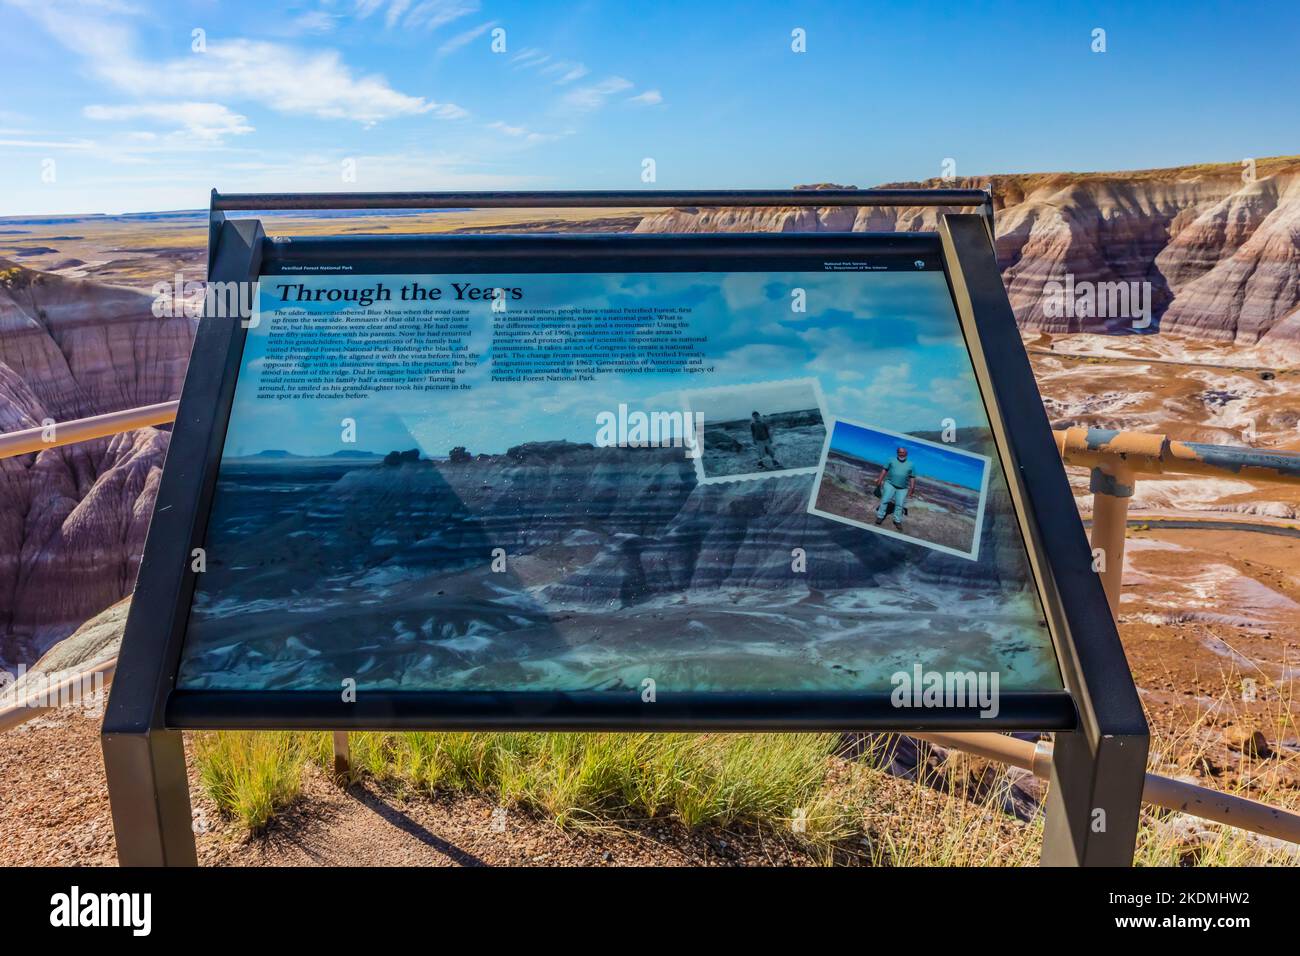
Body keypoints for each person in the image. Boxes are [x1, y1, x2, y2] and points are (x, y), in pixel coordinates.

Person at [875, 446, 916, 528]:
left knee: (899, 504)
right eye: (899, 452)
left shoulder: (911, 464)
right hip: (890, 484)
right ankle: (880, 516)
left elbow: (912, 477)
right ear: (897, 453)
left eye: (903, 452)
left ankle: (897, 520)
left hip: (903, 488)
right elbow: (884, 470)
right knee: (885, 500)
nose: (901, 454)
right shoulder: (891, 460)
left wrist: (912, 488)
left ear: (906, 453)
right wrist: (879, 480)